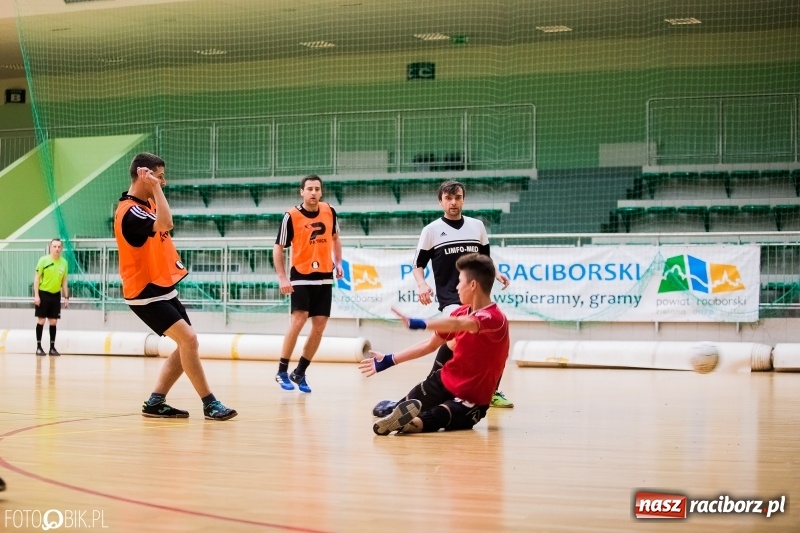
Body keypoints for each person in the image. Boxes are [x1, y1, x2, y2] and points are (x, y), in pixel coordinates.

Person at [113, 152, 237, 421]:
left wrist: (155, 189)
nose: (164, 182)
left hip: (162, 286)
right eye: (160, 176)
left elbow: (167, 223)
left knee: (186, 345)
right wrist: (155, 188)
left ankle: (155, 402)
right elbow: (166, 224)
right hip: (144, 292)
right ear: (144, 175)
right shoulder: (130, 211)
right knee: (189, 340)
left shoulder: (147, 205)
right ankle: (210, 404)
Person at [373, 180, 513, 416]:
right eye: (448, 199)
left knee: (488, 344)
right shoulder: (431, 230)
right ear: (441, 202)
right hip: (451, 299)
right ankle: (427, 392)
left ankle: (485, 391)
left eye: (457, 198)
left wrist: (496, 273)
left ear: (463, 200)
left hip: (477, 300)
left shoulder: (477, 226)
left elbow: (485, 262)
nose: (453, 202)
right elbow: (418, 265)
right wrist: (422, 284)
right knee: (451, 340)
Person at [360, 253, 509, 435]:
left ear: (472, 285)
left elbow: (462, 324)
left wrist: (420, 323)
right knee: (416, 398)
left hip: (473, 396)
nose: (456, 287)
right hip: (446, 380)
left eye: (459, 281)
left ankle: (407, 424)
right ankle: (398, 411)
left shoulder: (494, 318)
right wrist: (390, 359)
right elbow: (430, 345)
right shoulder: (461, 311)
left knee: (441, 414)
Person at [273, 174, 343, 393]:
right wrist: (283, 277)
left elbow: (335, 238)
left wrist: (338, 263)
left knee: (320, 325)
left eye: (317, 189)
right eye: (309, 189)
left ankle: (300, 371)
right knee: (299, 319)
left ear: (321, 192)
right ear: (301, 192)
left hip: (323, 275)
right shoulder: (291, 216)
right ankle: (282, 370)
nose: (313, 192)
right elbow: (278, 248)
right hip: (301, 274)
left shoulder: (329, 210)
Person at [33, 238, 69, 356]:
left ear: (61, 248)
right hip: (43, 293)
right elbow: (37, 278)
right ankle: (38, 347)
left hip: (55, 295)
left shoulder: (64, 262)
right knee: (41, 320)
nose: (57, 249)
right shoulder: (43, 260)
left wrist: (66, 296)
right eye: (54, 246)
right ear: (50, 247)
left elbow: (64, 281)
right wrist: (36, 295)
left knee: (53, 321)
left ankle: (52, 348)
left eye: (59, 247)